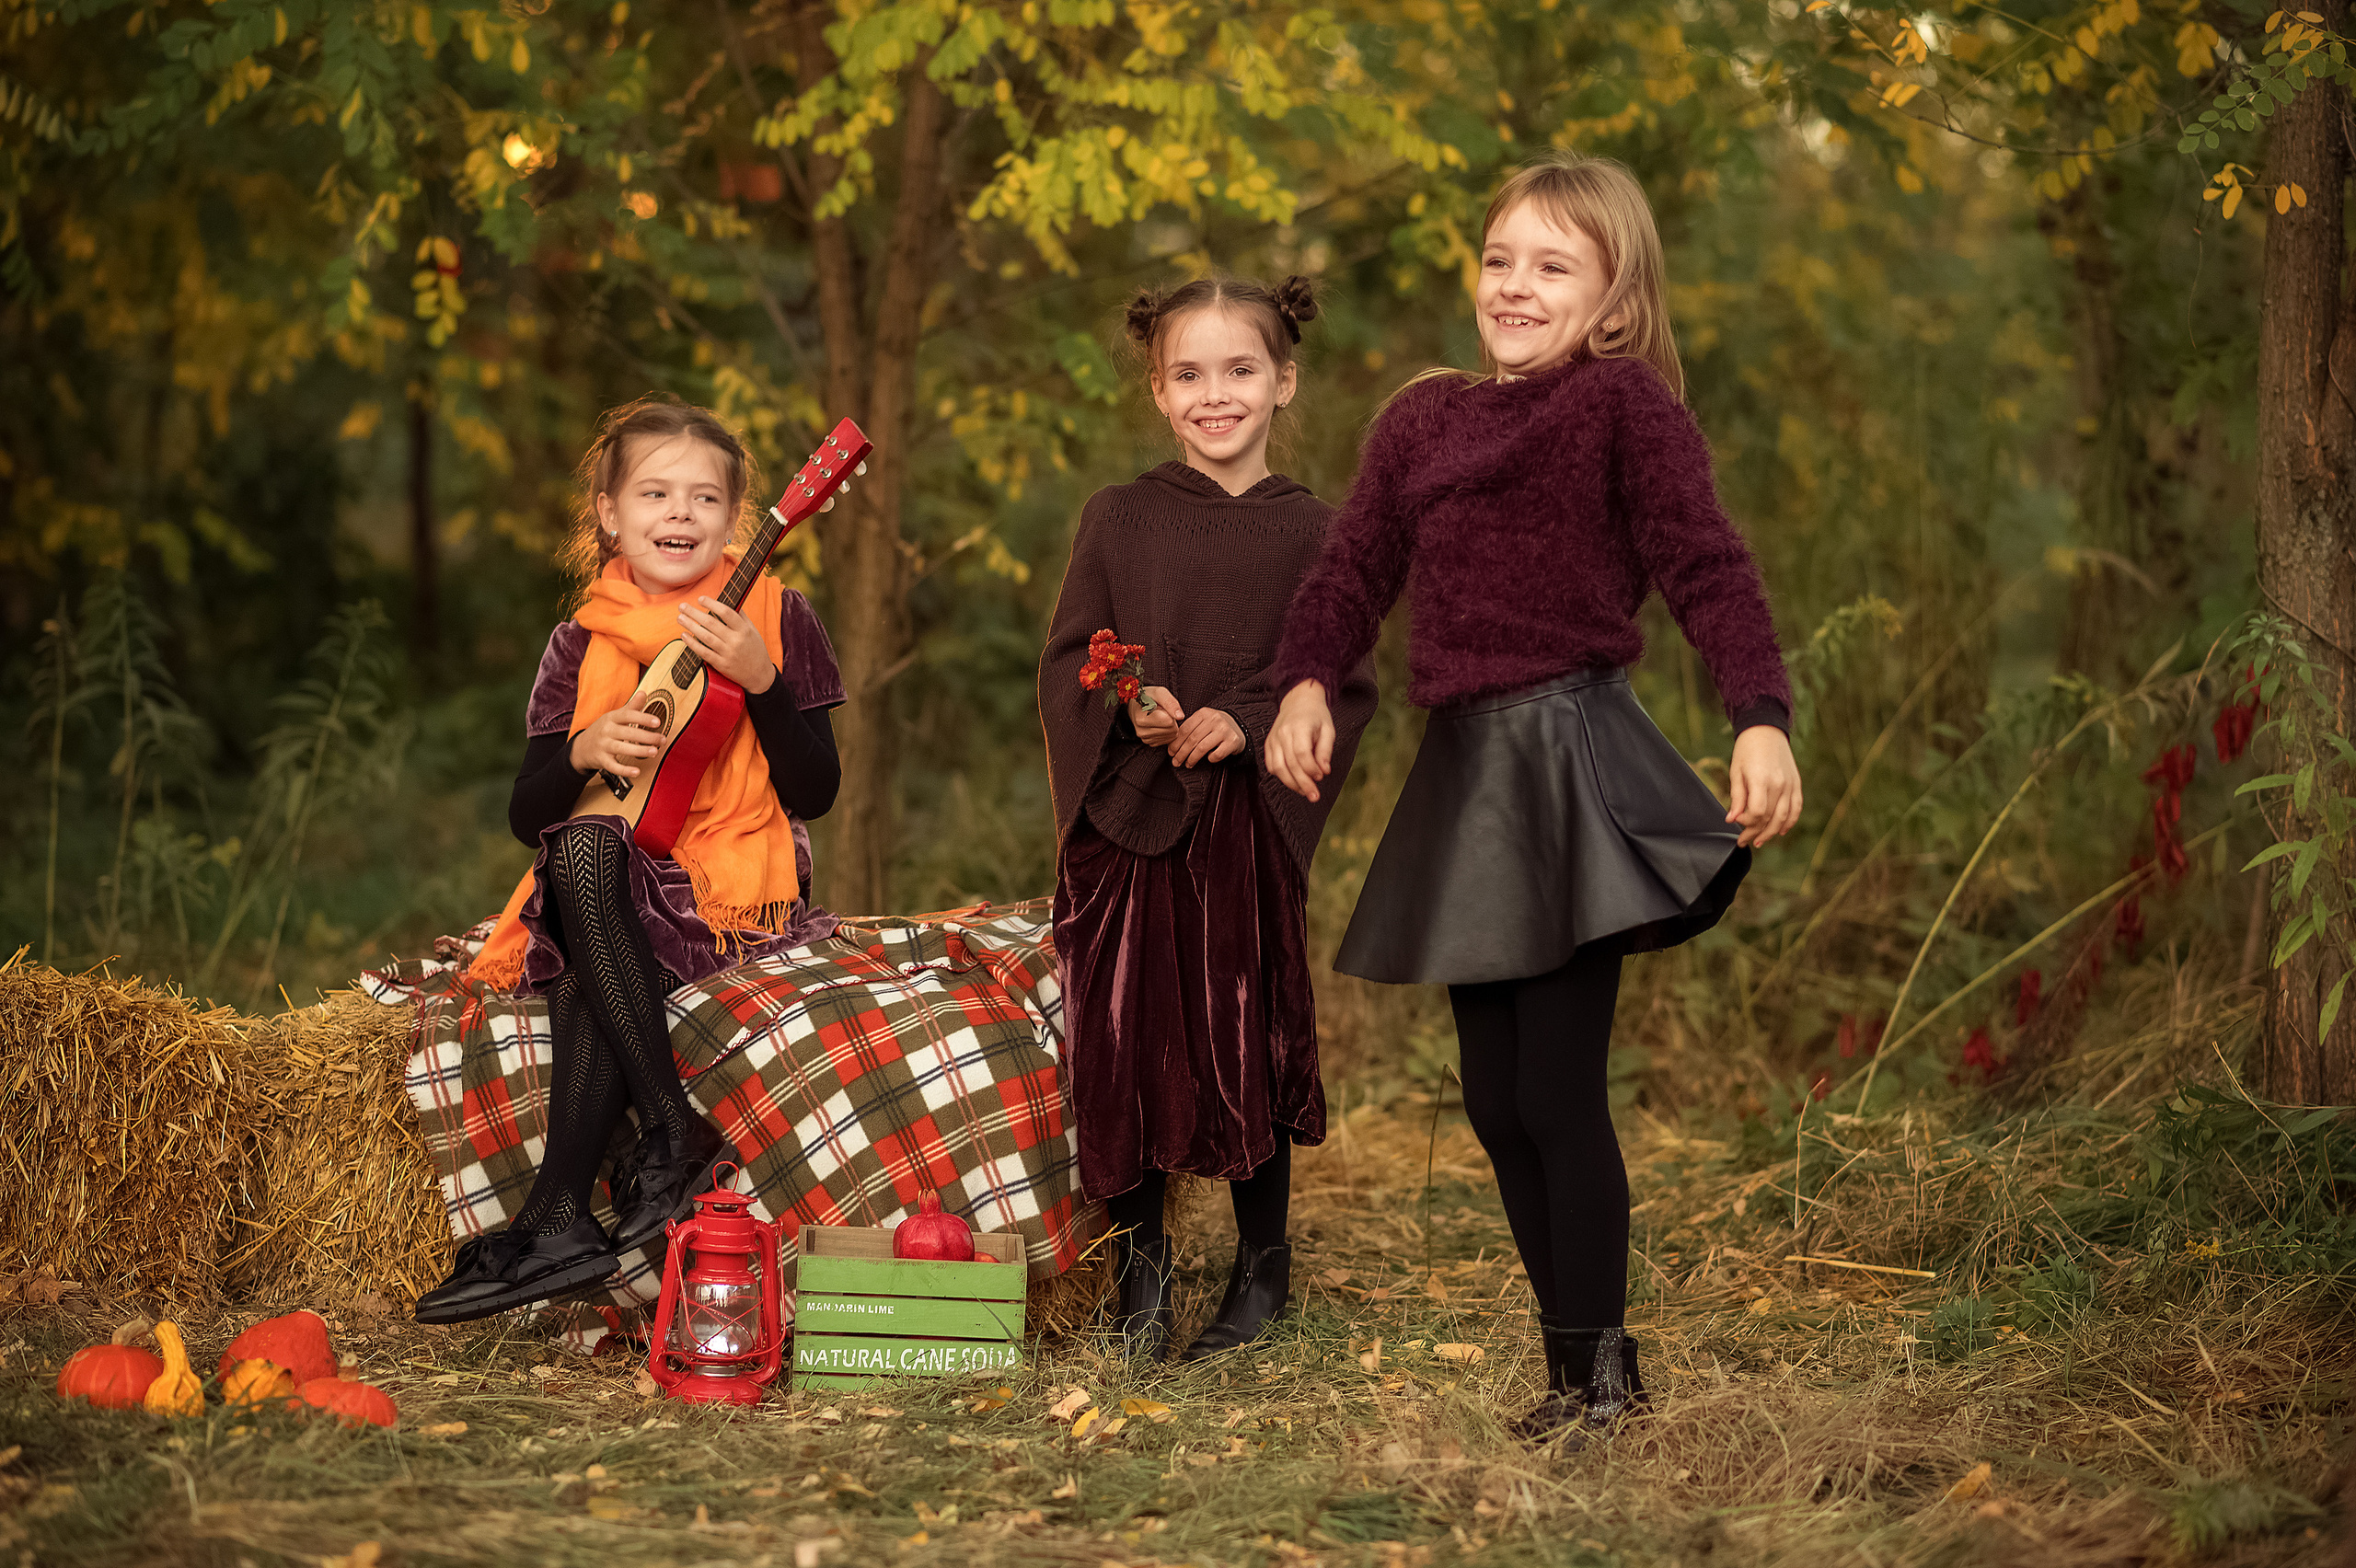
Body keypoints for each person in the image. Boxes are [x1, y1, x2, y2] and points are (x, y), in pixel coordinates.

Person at [1265, 152, 1804, 1440]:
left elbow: (1708, 567)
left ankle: (1607, 1378)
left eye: (1551, 266)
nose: (1514, 285)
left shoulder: (1622, 406)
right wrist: (1300, 684)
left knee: (1558, 1090)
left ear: (1614, 297)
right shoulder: (1421, 421)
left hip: (1572, 765)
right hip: (1468, 774)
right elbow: (1350, 575)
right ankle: (1568, 1371)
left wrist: (1762, 718)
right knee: (1497, 1100)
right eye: (1500, 258)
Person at [417, 397, 845, 1324]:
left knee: (579, 901)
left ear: (739, 519)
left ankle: (581, 1193)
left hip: (725, 888)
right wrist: (581, 750)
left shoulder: (776, 615)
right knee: (576, 854)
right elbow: (526, 812)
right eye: (654, 493)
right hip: (614, 874)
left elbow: (814, 791)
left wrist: (763, 681)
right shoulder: (580, 640)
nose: (679, 514)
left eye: (702, 498)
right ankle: (621, 1168)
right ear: (608, 513)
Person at [1040, 276, 1379, 1362]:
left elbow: (1341, 678)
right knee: (1129, 1036)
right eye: (1189, 374)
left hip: (1244, 829)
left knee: (1245, 1034)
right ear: (1158, 390)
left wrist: (1248, 722)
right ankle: (1140, 1283)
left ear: (1283, 381)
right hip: (1132, 823)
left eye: (1240, 371)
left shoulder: (1321, 535)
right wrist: (1128, 705)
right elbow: (1069, 663)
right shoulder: (1118, 517)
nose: (1214, 394)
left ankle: (1260, 1274)